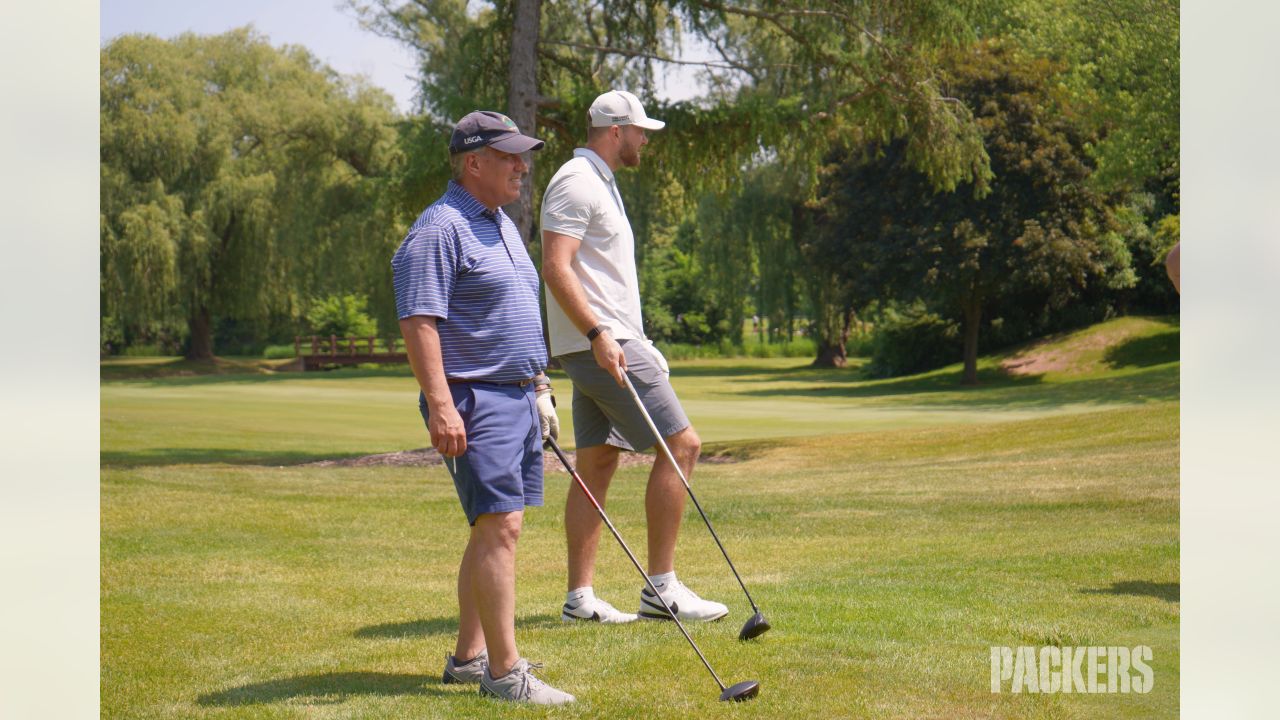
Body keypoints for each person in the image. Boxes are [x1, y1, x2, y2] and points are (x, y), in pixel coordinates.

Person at [391, 110, 572, 705]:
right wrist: (442, 406)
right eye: (511, 157)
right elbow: (419, 320)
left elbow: (514, 314)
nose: (524, 167)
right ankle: (505, 674)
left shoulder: (498, 224)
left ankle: (470, 659)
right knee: (499, 529)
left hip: (517, 393)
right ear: (474, 163)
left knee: (496, 526)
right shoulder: (439, 229)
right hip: (475, 396)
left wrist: (540, 385)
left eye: (524, 156)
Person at [540, 90, 729, 625]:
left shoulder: (599, 183)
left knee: (597, 462)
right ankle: (661, 589)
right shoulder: (576, 183)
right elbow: (556, 267)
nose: (646, 139)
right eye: (641, 130)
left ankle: (580, 599)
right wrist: (603, 335)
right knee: (682, 445)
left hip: (606, 342)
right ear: (616, 130)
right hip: (603, 343)